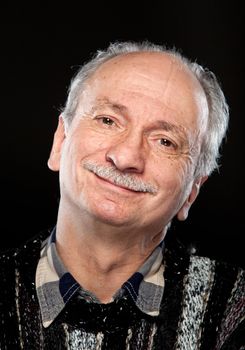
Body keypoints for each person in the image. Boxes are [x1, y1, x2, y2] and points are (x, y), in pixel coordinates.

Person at [0, 41, 244, 350]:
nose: (127, 156)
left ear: (192, 190)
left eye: (165, 142)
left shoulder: (235, 312)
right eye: (107, 120)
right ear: (60, 142)